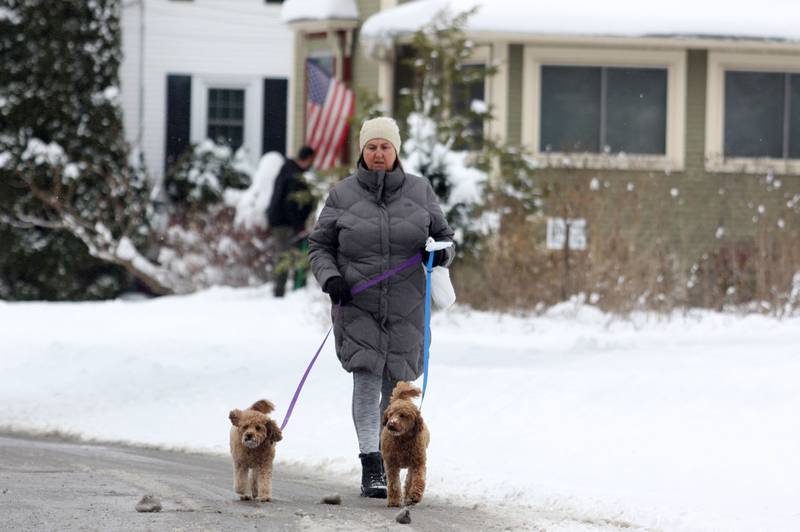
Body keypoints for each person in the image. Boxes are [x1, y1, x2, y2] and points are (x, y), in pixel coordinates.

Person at [308, 117, 454, 498]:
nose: (377, 153)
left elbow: (446, 239)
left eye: (384, 147)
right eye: (371, 147)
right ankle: (371, 464)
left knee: (398, 391)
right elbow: (319, 246)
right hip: (357, 303)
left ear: (396, 151)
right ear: (362, 150)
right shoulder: (342, 195)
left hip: (407, 306)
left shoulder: (420, 192)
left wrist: (438, 255)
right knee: (367, 380)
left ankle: (394, 461)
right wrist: (331, 279)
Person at [267, 146, 316, 298]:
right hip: (284, 223)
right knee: (285, 255)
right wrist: (299, 226)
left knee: (286, 254)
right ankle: (280, 292)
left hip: (281, 221)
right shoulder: (293, 176)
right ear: (307, 159)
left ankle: (289, 289)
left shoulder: (287, 170)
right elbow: (291, 204)